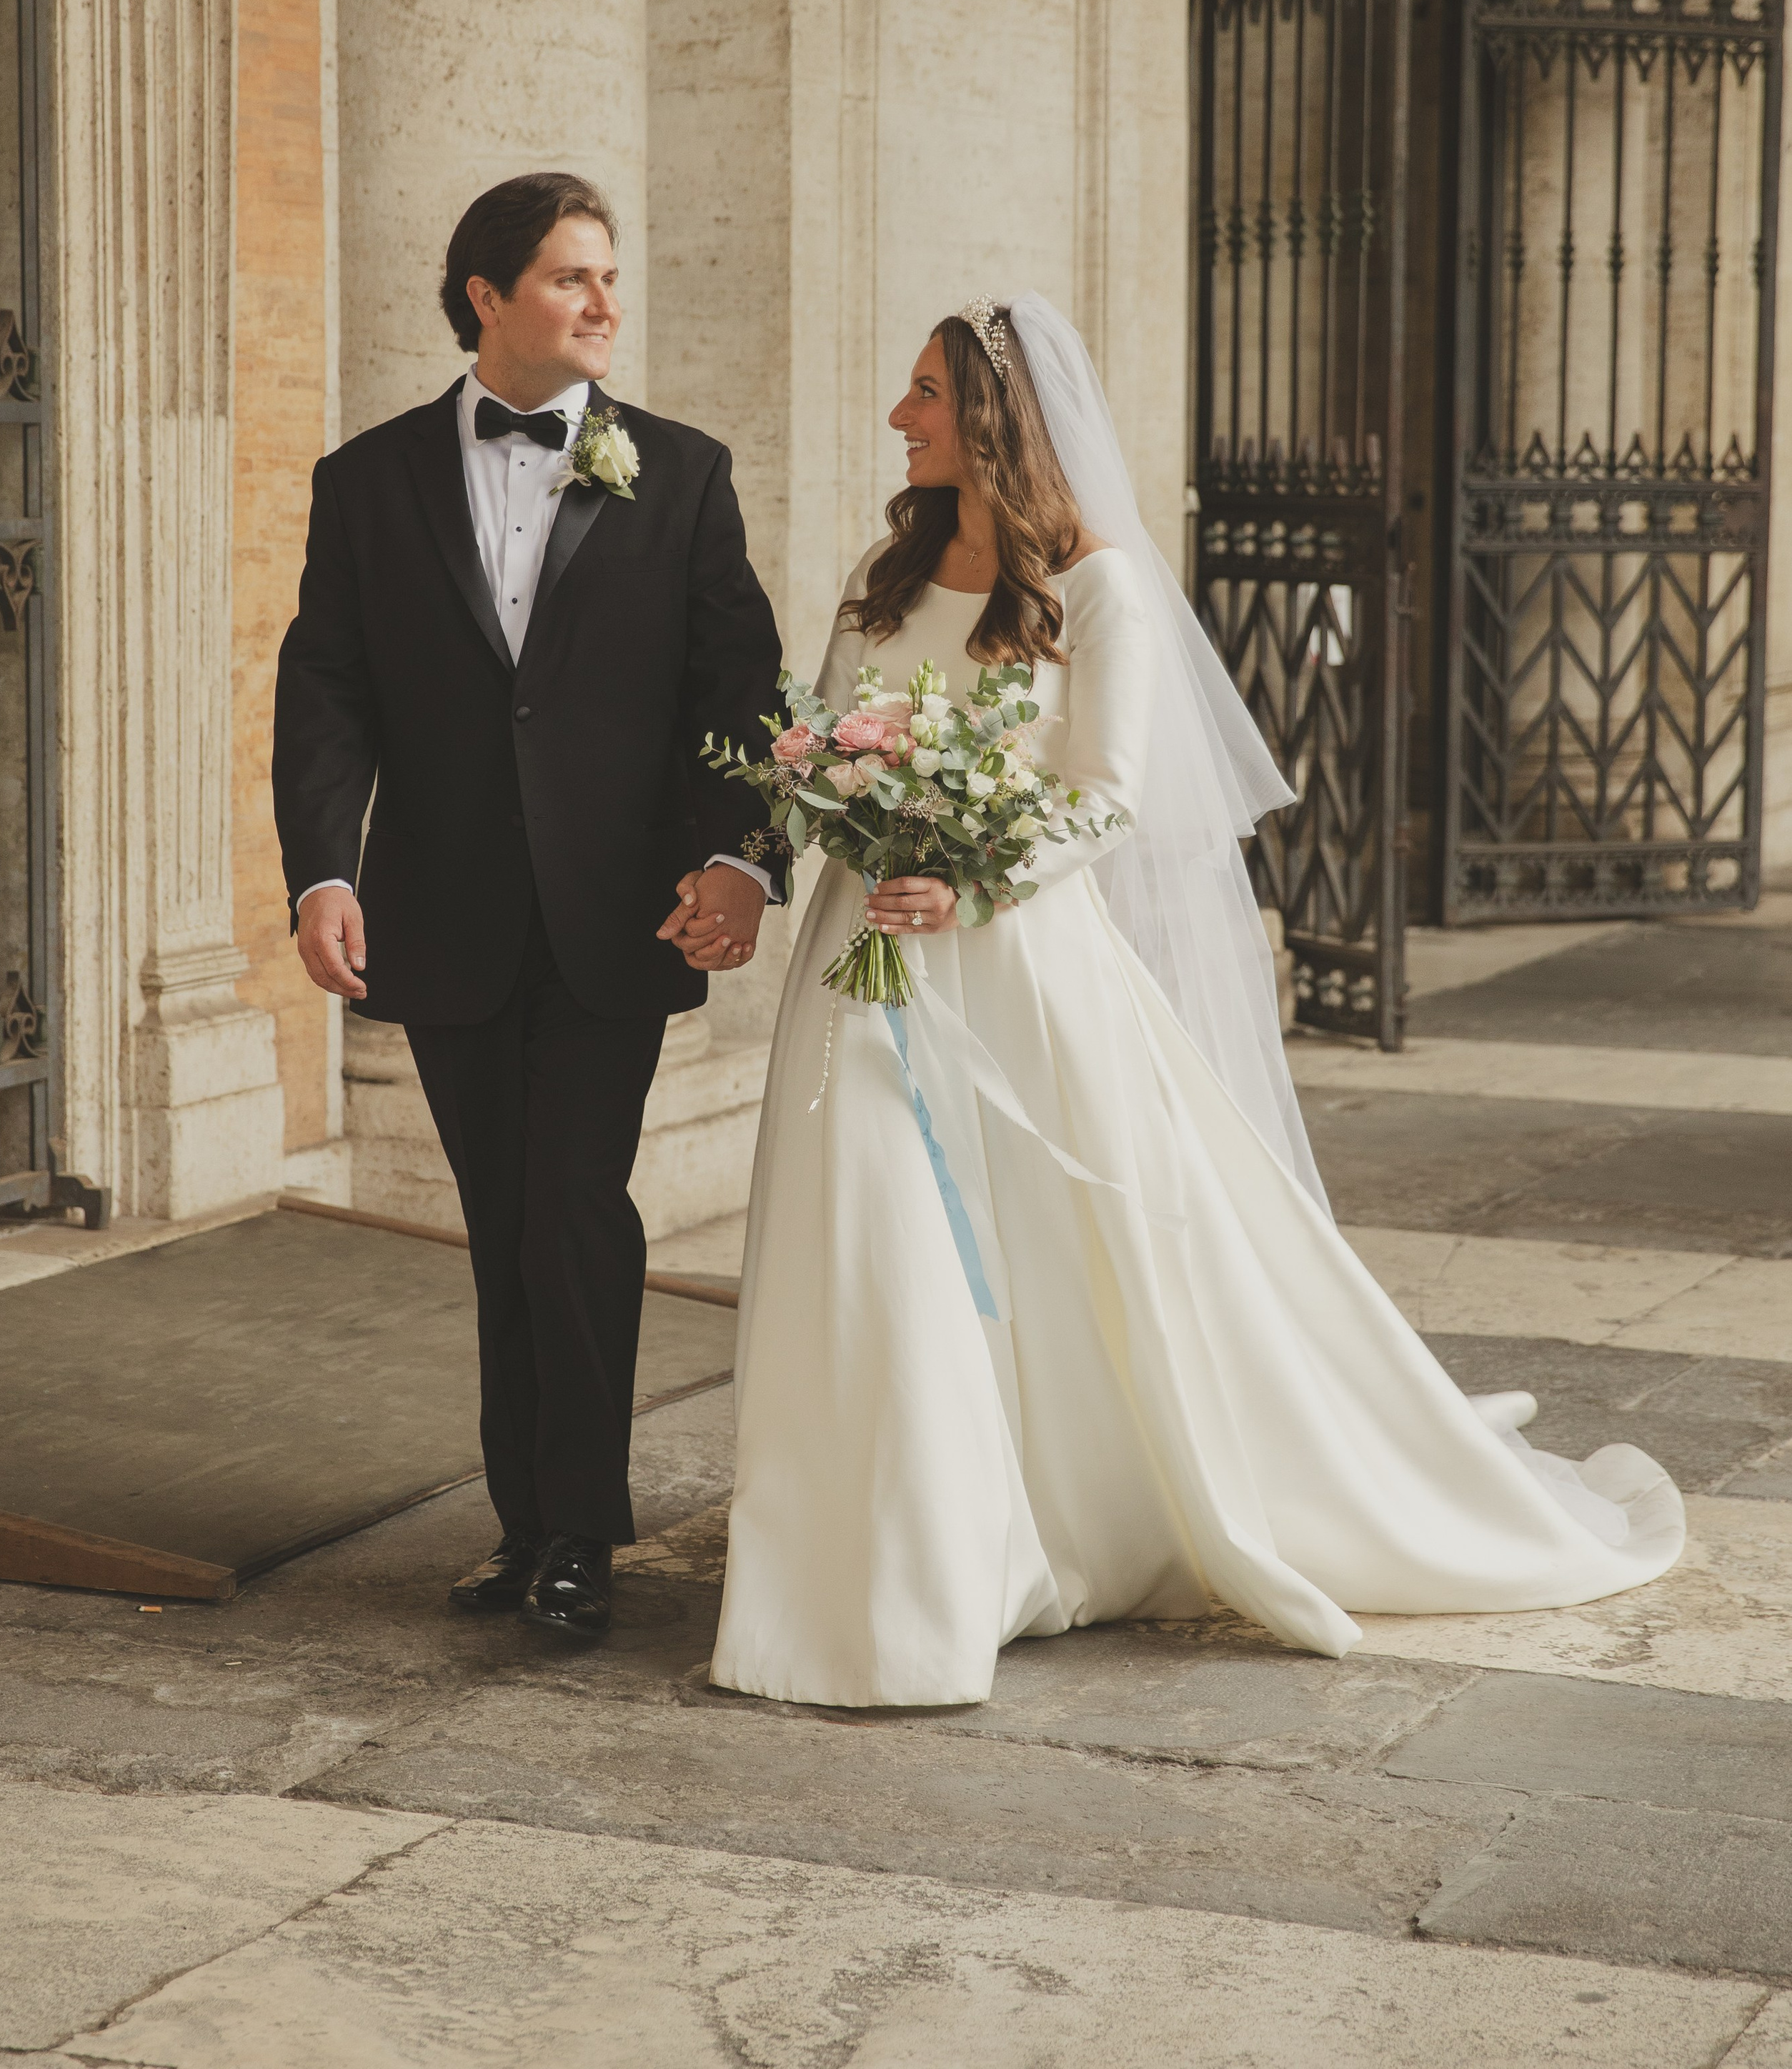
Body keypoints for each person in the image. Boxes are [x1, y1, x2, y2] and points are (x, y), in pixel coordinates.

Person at [711, 293, 1685, 1708]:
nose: (899, 415)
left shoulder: (1095, 590)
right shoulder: (886, 572)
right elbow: (818, 741)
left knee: (1050, 1245)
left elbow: (1103, 798)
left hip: (1014, 964)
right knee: (868, 1231)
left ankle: (1041, 1521)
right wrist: (810, 832)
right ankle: (888, 1548)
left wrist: (970, 884)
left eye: (925, 391)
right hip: (861, 965)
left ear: (992, 417)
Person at [273, 173, 784, 1642]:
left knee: (573, 1208)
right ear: (486, 296)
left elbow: (736, 691)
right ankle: (523, 1520)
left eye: (608, 275)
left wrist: (744, 859)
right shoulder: (365, 482)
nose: (605, 302)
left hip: (618, 916)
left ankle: (582, 1531)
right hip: (441, 918)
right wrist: (323, 871)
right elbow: (327, 690)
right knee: (502, 1223)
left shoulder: (681, 474)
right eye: (572, 277)